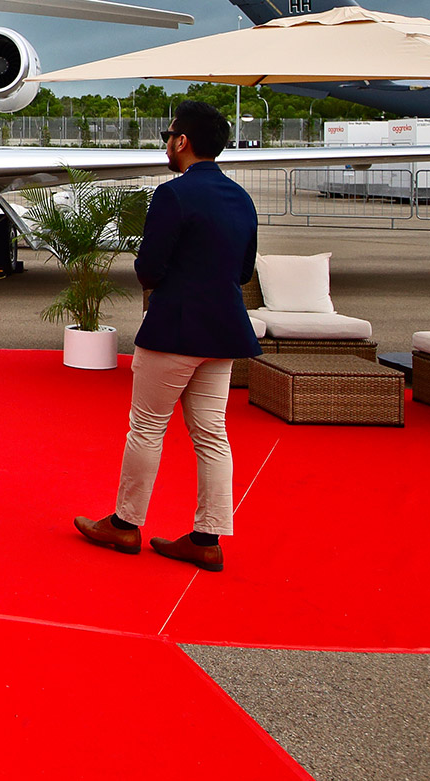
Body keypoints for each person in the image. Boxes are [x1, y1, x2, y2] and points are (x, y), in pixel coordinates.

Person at [74, 100, 259, 572]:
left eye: (168, 136)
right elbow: (243, 272)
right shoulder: (242, 198)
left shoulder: (172, 195)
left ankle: (125, 523)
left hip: (174, 329)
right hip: (223, 332)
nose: (166, 144)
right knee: (212, 435)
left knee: (147, 428)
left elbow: (150, 269)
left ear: (182, 142)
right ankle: (207, 538)